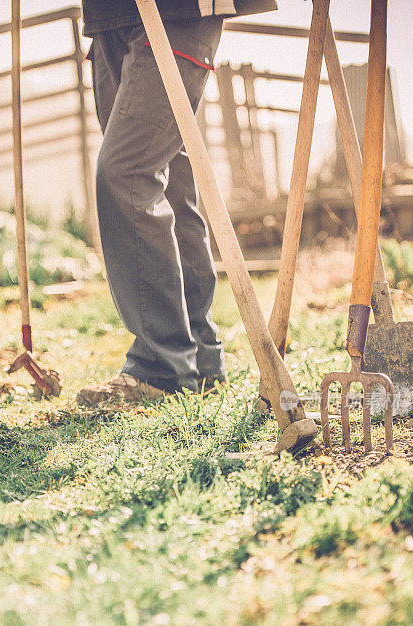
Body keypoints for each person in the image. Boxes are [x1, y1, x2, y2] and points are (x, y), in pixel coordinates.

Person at [77, 0, 277, 405]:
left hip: (179, 11)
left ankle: (160, 366)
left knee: (126, 171)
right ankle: (198, 359)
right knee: (166, 180)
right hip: (109, 17)